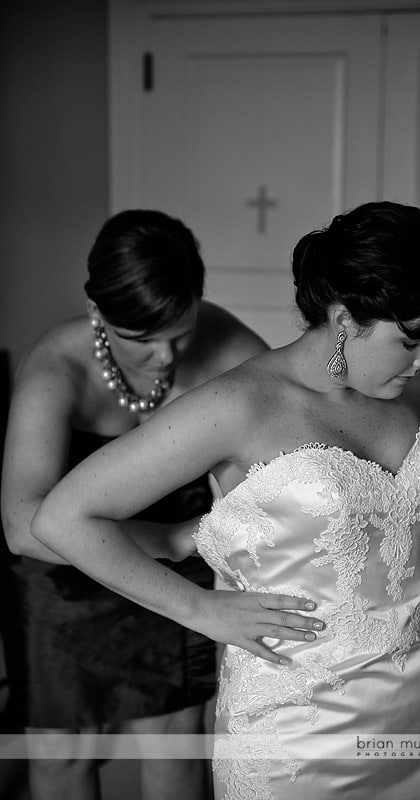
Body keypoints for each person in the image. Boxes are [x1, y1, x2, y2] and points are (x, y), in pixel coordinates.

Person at [31, 201, 420, 799]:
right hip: (294, 728)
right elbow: (62, 517)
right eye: (409, 340)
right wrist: (199, 609)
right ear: (345, 319)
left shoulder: (417, 384)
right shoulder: (239, 405)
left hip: (416, 703)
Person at [0, 209, 323, 800]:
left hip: (181, 571)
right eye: (141, 340)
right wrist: (172, 539)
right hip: (62, 572)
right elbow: (23, 526)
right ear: (97, 311)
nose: (165, 358)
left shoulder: (226, 343)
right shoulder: (57, 367)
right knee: (60, 754)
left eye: (180, 332)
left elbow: (300, 442)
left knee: (176, 738)